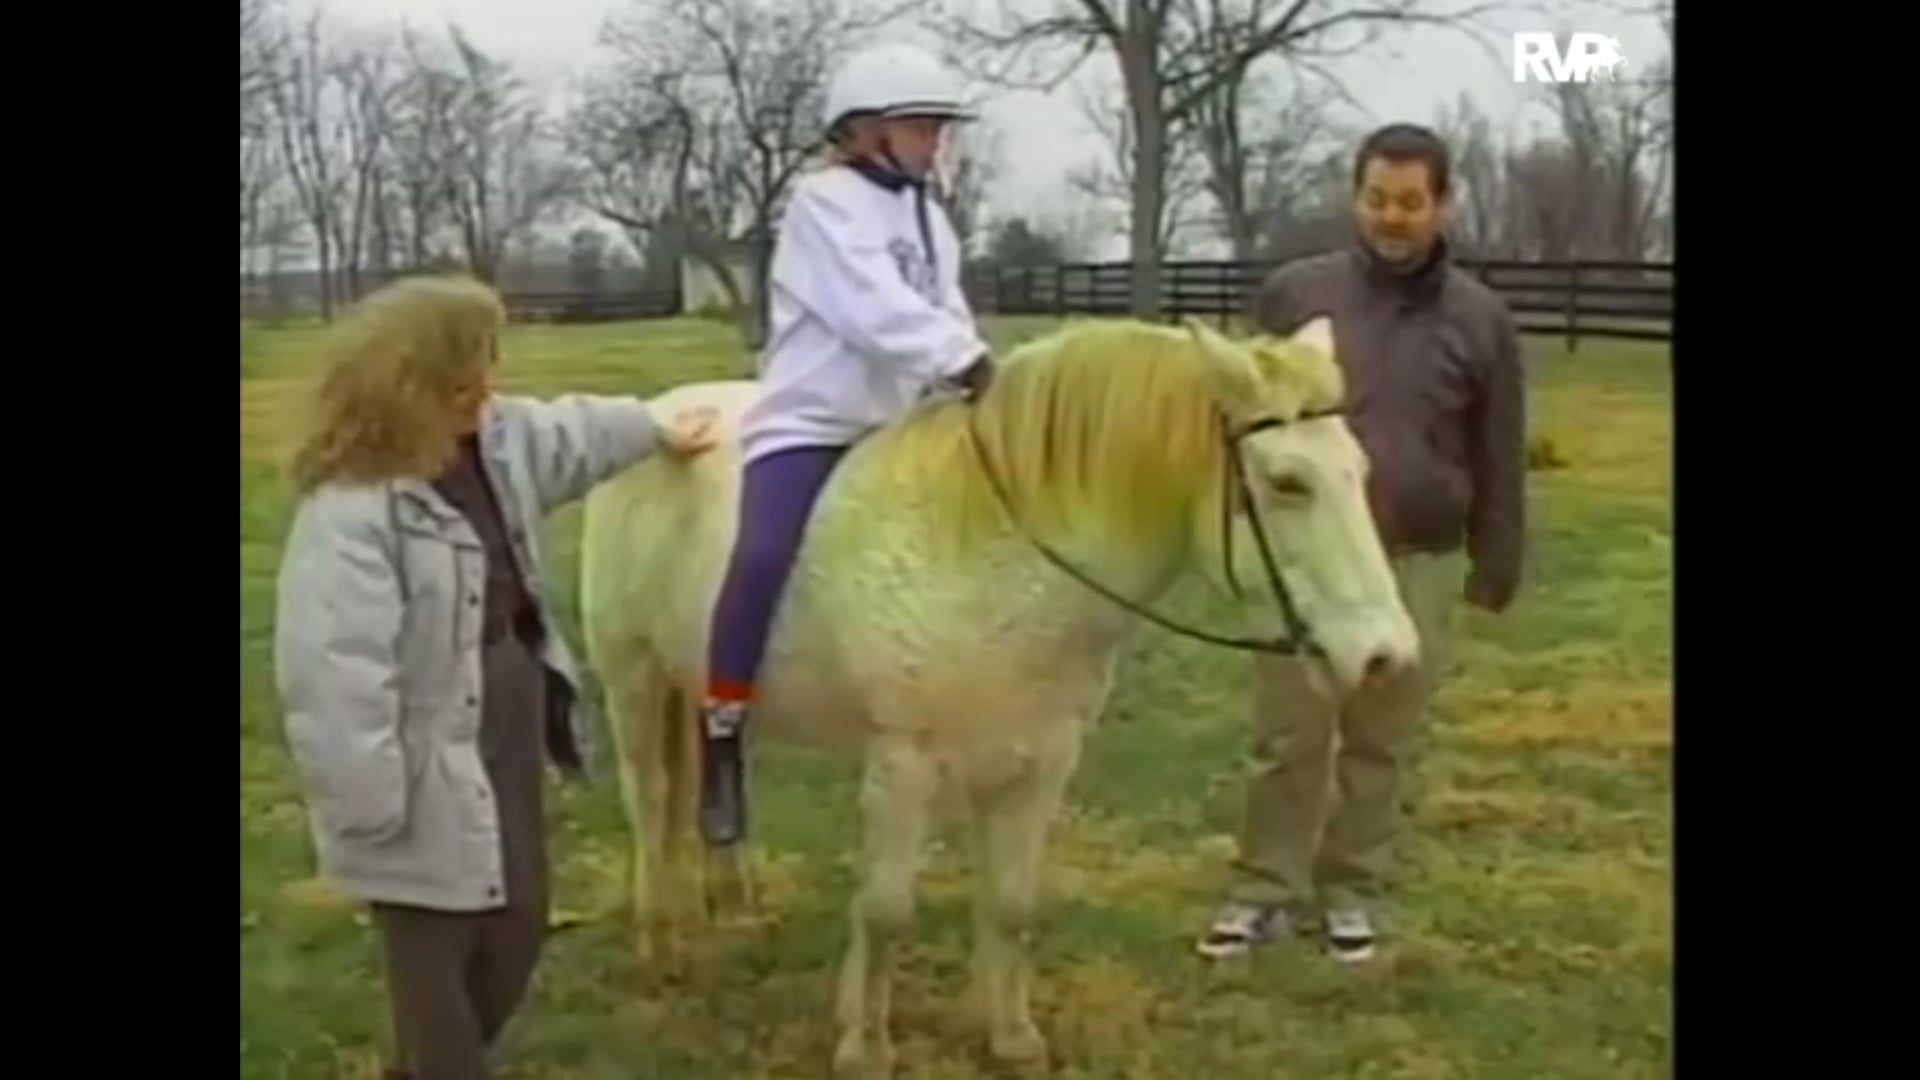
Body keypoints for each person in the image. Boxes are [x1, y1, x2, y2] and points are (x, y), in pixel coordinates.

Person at [271, 274, 718, 1080]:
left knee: (516, 922)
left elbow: (569, 435)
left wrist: (655, 425)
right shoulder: (353, 511)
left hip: (508, 701)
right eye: (469, 370)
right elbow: (333, 668)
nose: (490, 383)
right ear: (412, 387)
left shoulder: (494, 438)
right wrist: (368, 802)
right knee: (434, 944)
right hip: (413, 732)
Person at [1196, 123, 1528, 964]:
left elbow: (1499, 447)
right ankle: (1264, 888)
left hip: (1416, 555)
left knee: (1381, 737)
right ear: (1357, 197)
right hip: (1306, 560)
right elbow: (1244, 423)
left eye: (1411, 202)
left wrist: (1497, 560)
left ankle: (1354, 891)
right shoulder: (1293, 295)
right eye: (1378, 198)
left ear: (1442, 204)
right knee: (1289, 733)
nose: (1393, 217)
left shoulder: (1481, 318)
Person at [695, 41, 996, 847]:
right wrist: (964, 362)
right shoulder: (822, 204)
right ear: (865, 130)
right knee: (761, 554)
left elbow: (945, 304)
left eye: (939, 127)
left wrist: (971, 366)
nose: (936, 141)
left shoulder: (929, 214)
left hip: (903, 419)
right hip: (814, 422)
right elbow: (873, 309)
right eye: (921, 126)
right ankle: (722, 727)